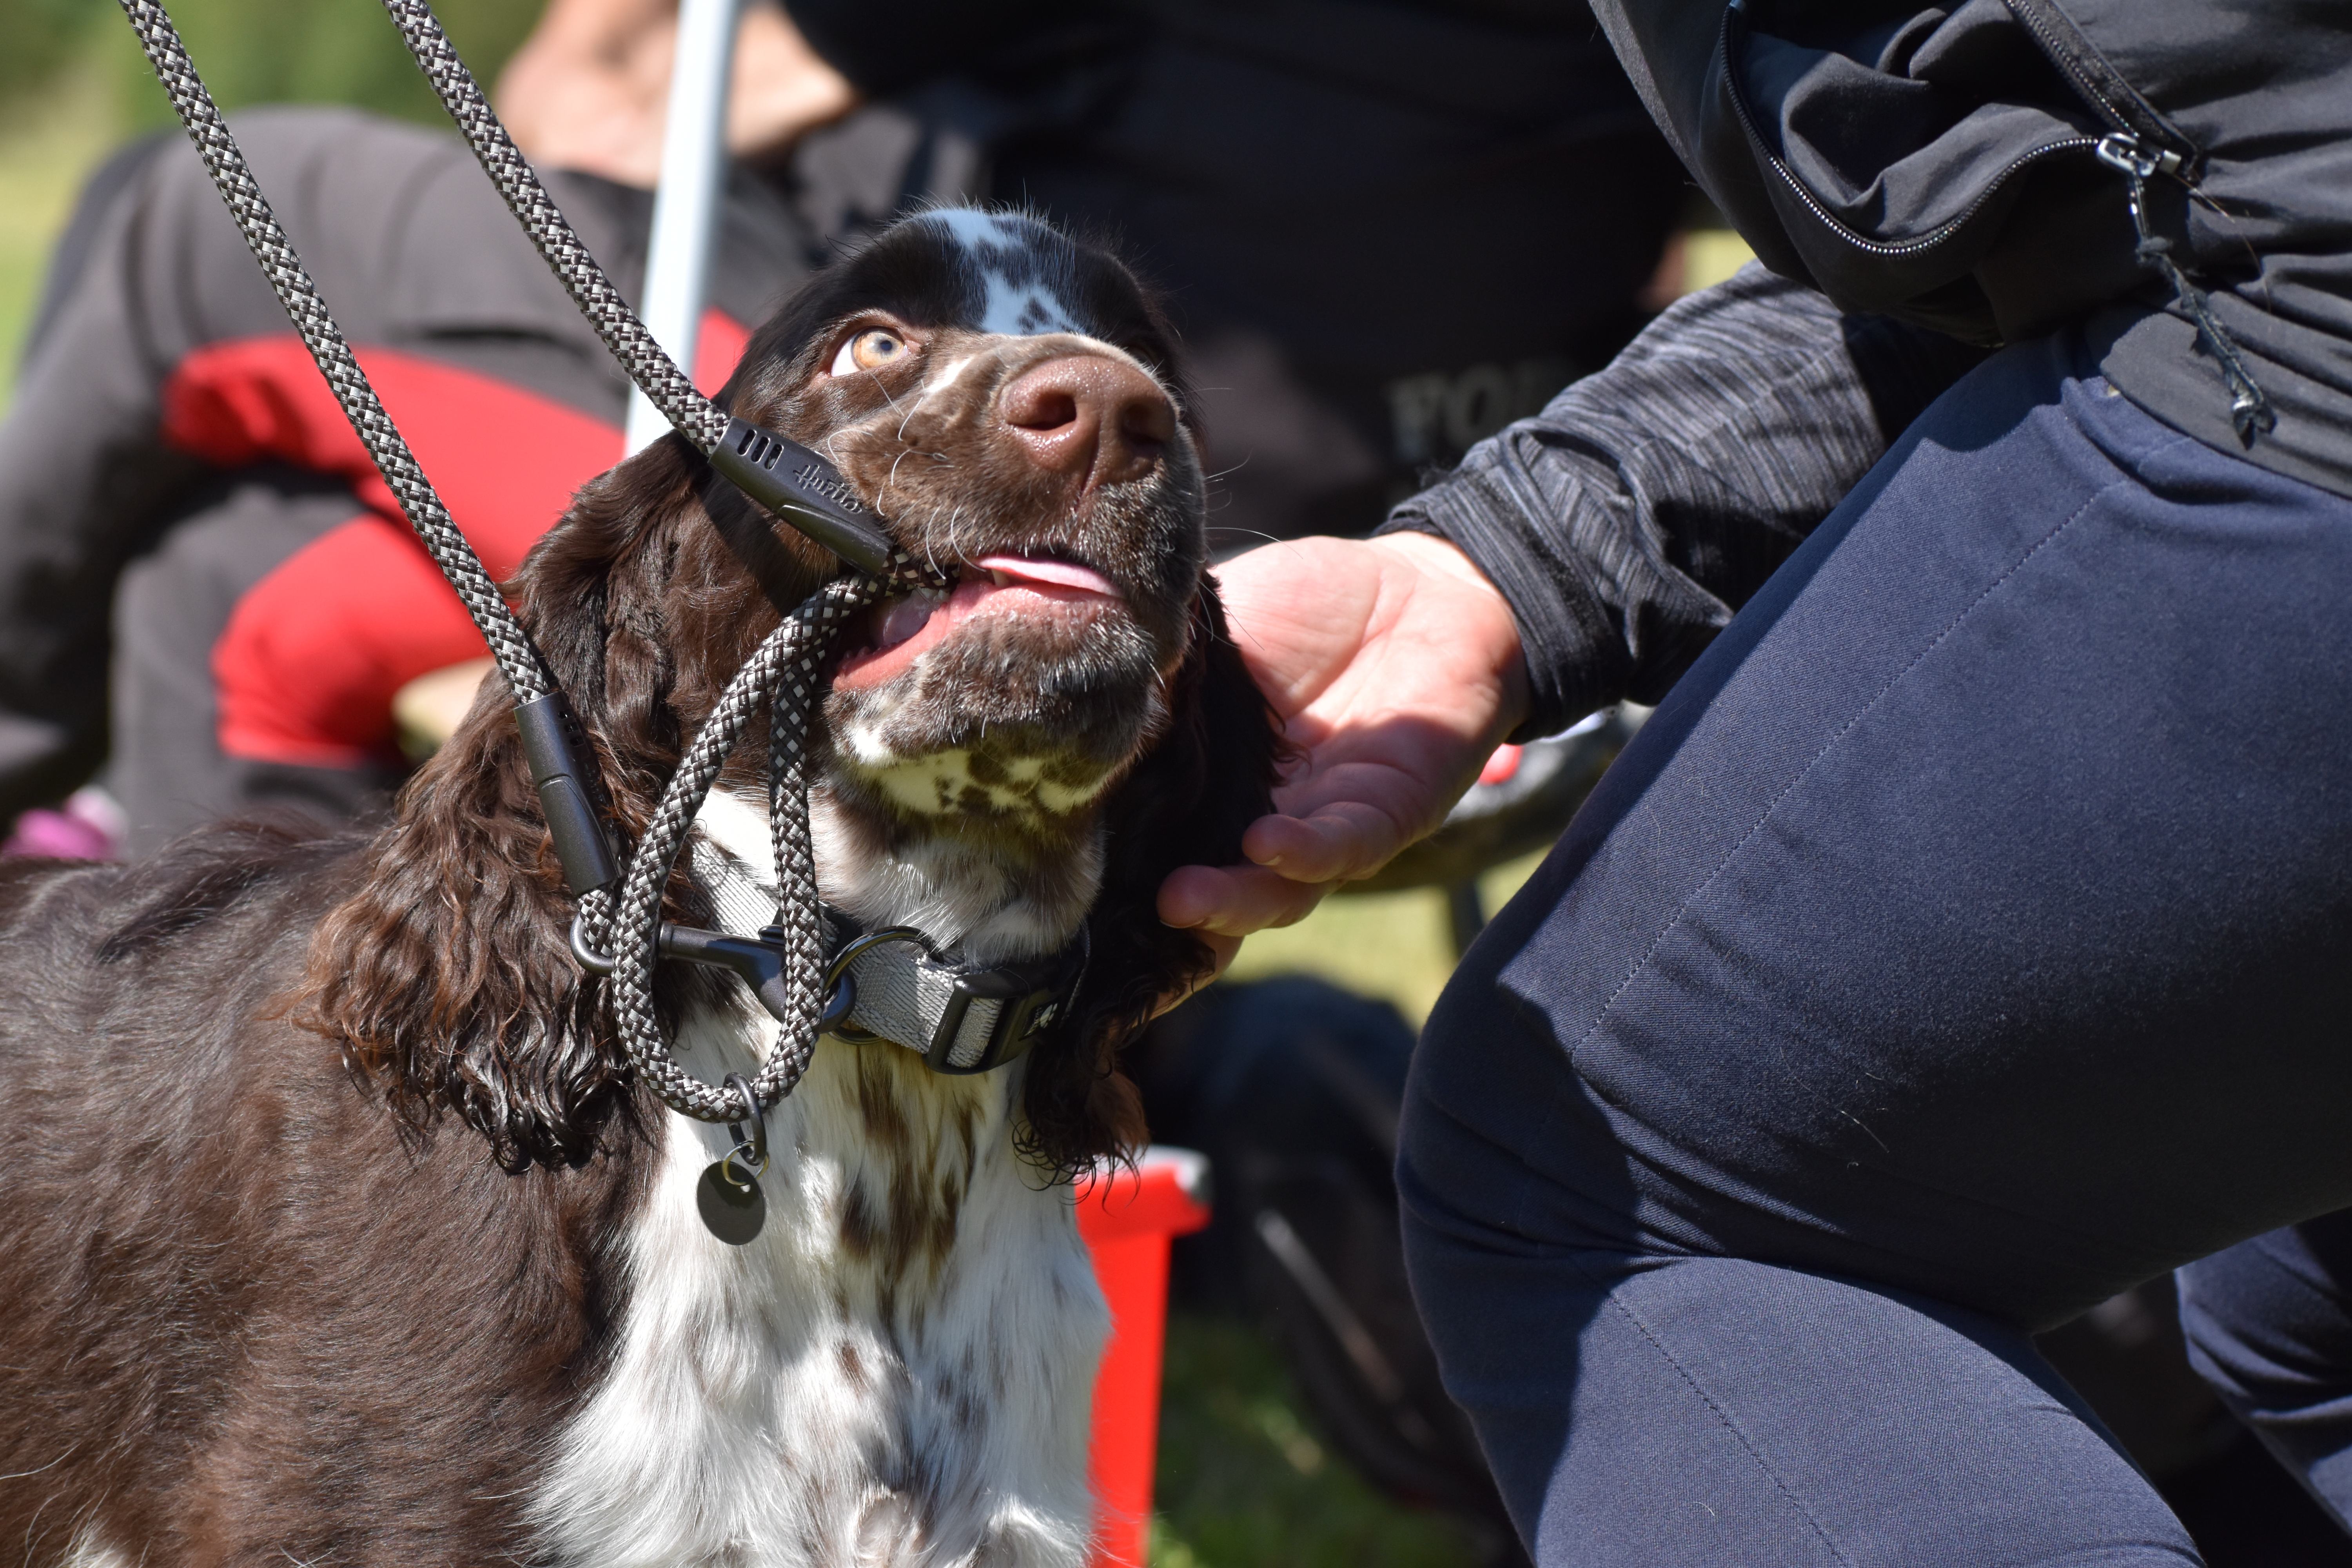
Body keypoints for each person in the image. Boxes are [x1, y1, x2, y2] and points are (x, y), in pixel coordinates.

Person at [1158, 4, 2352, 1562]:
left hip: (2298, 364)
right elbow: (2042, 192)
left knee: (1596, 1183)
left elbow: (2172, 180)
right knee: (2304, 1307)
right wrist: (1508, 556)